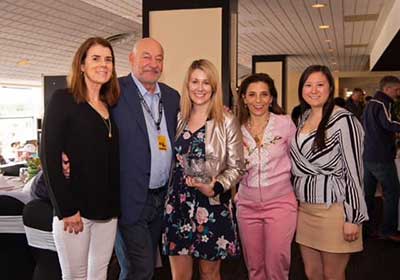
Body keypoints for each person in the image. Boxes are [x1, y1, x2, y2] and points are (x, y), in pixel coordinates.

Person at [41, 37, 120, 280]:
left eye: (108, 59)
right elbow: (49, 156)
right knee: (76, 276)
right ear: (82, 65)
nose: (103, 64)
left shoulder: (110, 104)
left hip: (107, 211)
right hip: (75, 211)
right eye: (95, 58)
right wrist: (66, 209)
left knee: (99, 275)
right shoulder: (63, 100)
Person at [162, 59, 244, 280]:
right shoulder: (178, 118)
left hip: (211, 205)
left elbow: (237, 167)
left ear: (214, 87)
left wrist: (215, 187)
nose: (200, 88)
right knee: (180, 275)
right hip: (178, 204)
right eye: (195, 81)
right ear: (187, 85)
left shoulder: (226, 120)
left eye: (206, 82)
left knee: (209, 273)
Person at [290, 65, 368, 280]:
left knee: (333, 274)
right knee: (312, 273)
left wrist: (353, 217)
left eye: (320, 85)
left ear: (330, 88)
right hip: (305, 209)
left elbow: (354, 171)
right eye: (308, 85)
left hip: (334, 209)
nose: (313, 90)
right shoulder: (304, 117)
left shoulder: (345, 120)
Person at [112, 38, 180, 280]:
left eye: (158, 58)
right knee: (138, 269)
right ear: (131, 59)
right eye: (146, 57)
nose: (153, 64)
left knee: (146, 265)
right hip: (129, 199)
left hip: (161, 198)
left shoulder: (172, 98)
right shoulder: (114, 92)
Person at [236, 73, 297, 280]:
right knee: (254, 267)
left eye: (264, 94)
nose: (258, 100)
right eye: (252, 95)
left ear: (272, 98)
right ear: (244, 98)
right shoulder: (235, 128)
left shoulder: (285, 124)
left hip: (280, 204)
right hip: (246, 205)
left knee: (277, 266)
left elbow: (298, 162)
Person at [362, 76, 400, 241]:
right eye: (397, 89)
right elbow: (389, 123)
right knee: (392, 192)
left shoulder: (370, 104)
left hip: (368, 154)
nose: (398, 92)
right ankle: (388, 230)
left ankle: (366, 229)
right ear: (387, 89)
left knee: (368, 194)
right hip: (381, 156)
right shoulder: (383, 103)